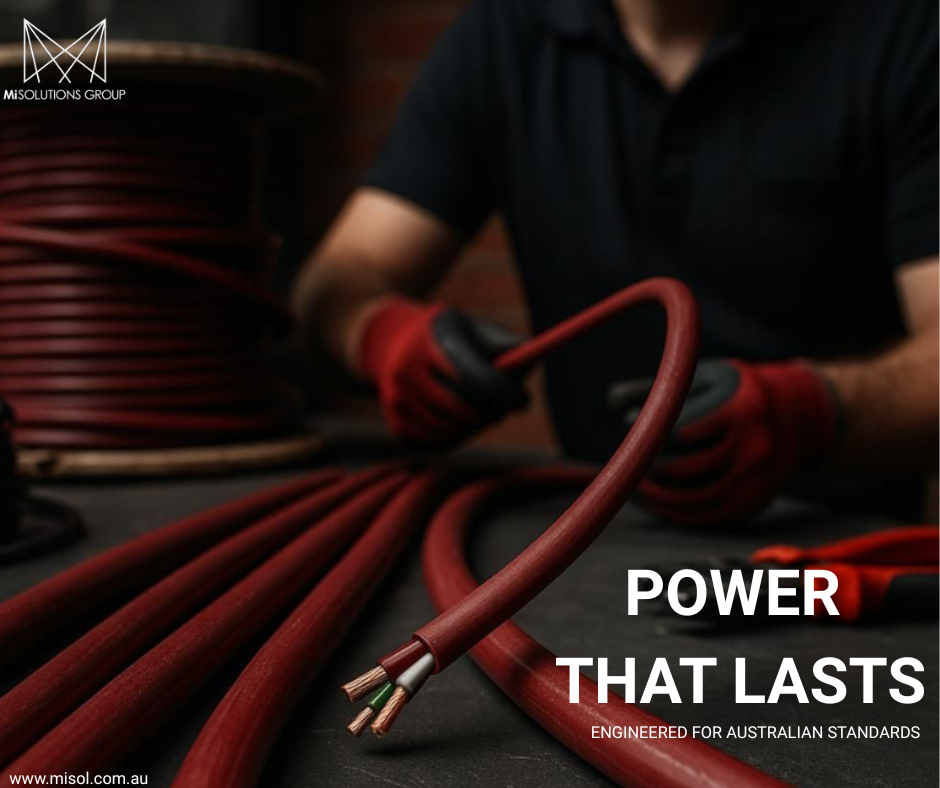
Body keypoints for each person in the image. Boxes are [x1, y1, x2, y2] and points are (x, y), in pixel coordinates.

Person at [293, 0, 938, 525]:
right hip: (593, 541)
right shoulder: (503, 35)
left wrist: (812, 412)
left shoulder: (900, 32)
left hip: (835, 552)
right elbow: (339, 278)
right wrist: (380, 335)